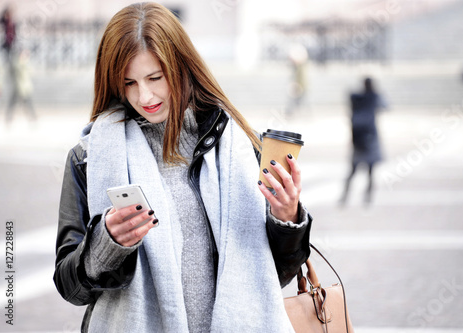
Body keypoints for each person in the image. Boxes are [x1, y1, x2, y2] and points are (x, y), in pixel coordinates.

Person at [53, 3, 312, 333]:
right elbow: (70, 286)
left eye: (155, 77)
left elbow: (275, 275)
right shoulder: (88, 157)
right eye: (129, 82)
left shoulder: (237, 147)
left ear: (181, 65)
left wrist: (287, 219)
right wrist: (106, 244)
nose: (144, 95)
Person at [339, 77, 386, 205]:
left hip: (358, 138)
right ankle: (368, 198)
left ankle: (344, 197)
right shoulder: (374, 97)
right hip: (370, 138)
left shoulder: (356, 98)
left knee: (353, 171)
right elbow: (386, 105)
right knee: (370, 172)